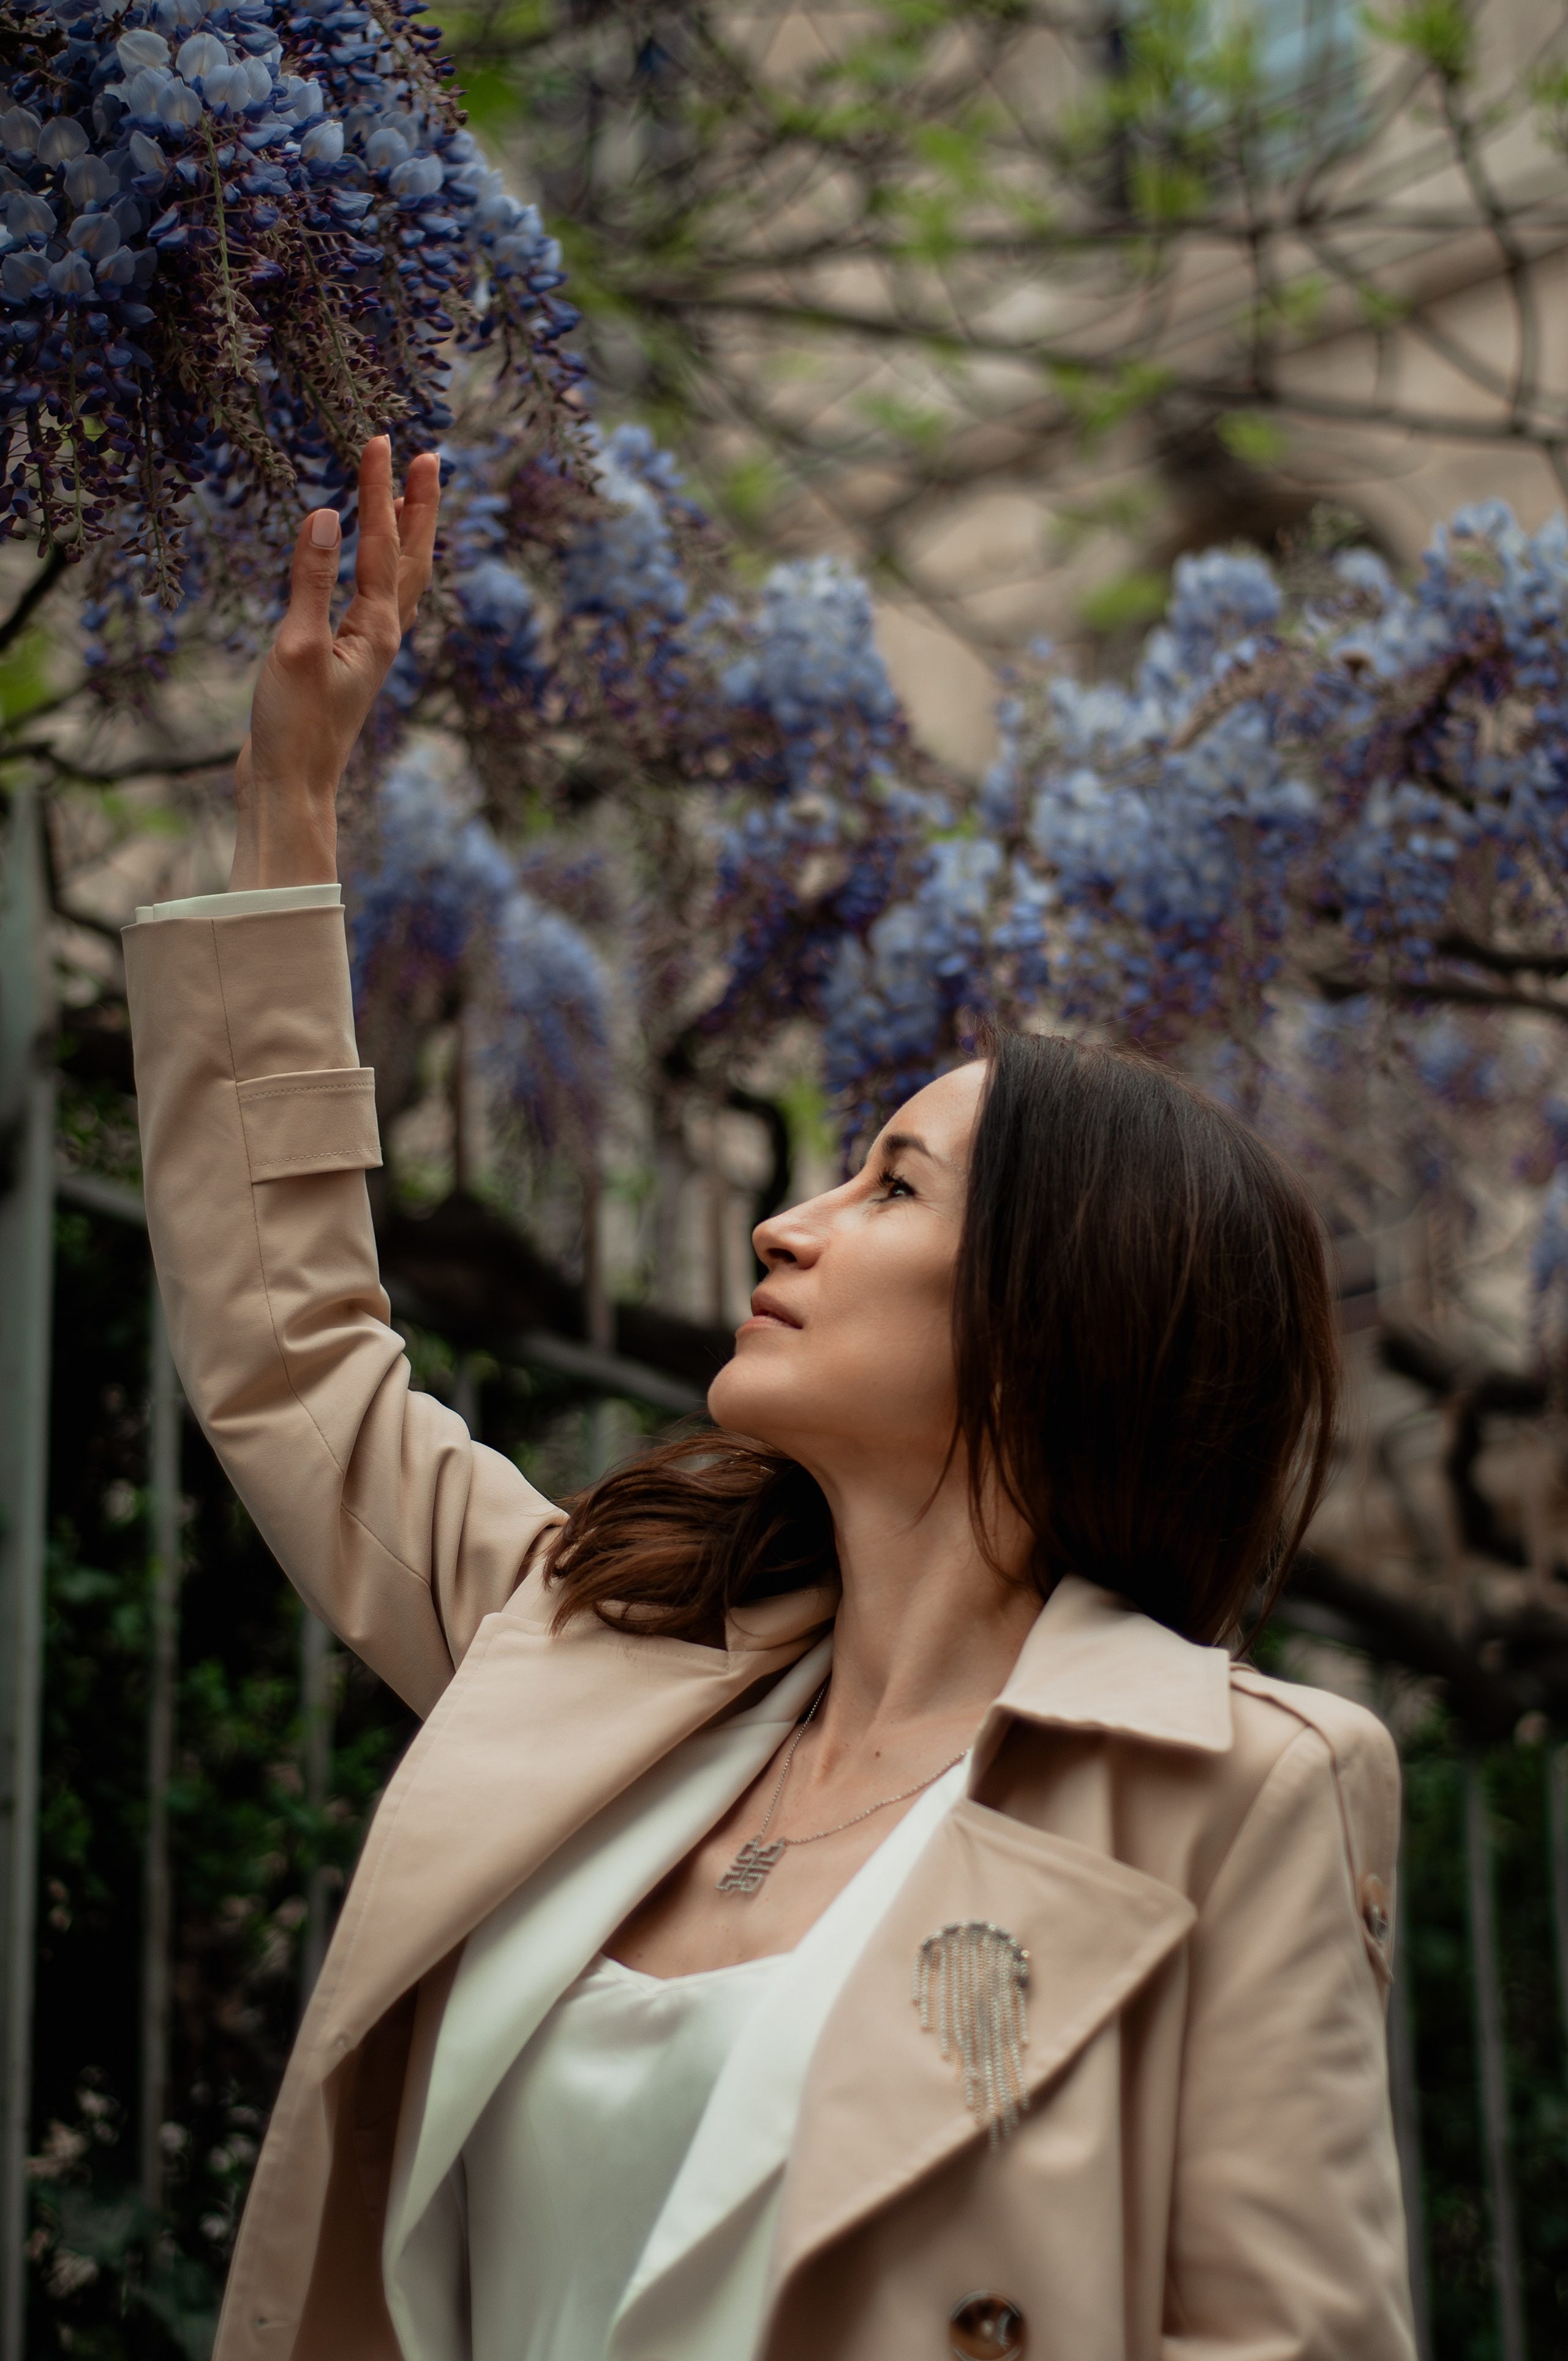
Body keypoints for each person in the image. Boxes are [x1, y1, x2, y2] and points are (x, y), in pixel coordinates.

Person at [124, 437, 1417, 2361]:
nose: (785, 1221)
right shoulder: (604, 1650)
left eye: (890, 1183)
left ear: (1061, 1312)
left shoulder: (1241, 1789)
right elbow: (297, 1354)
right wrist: (287, 806)